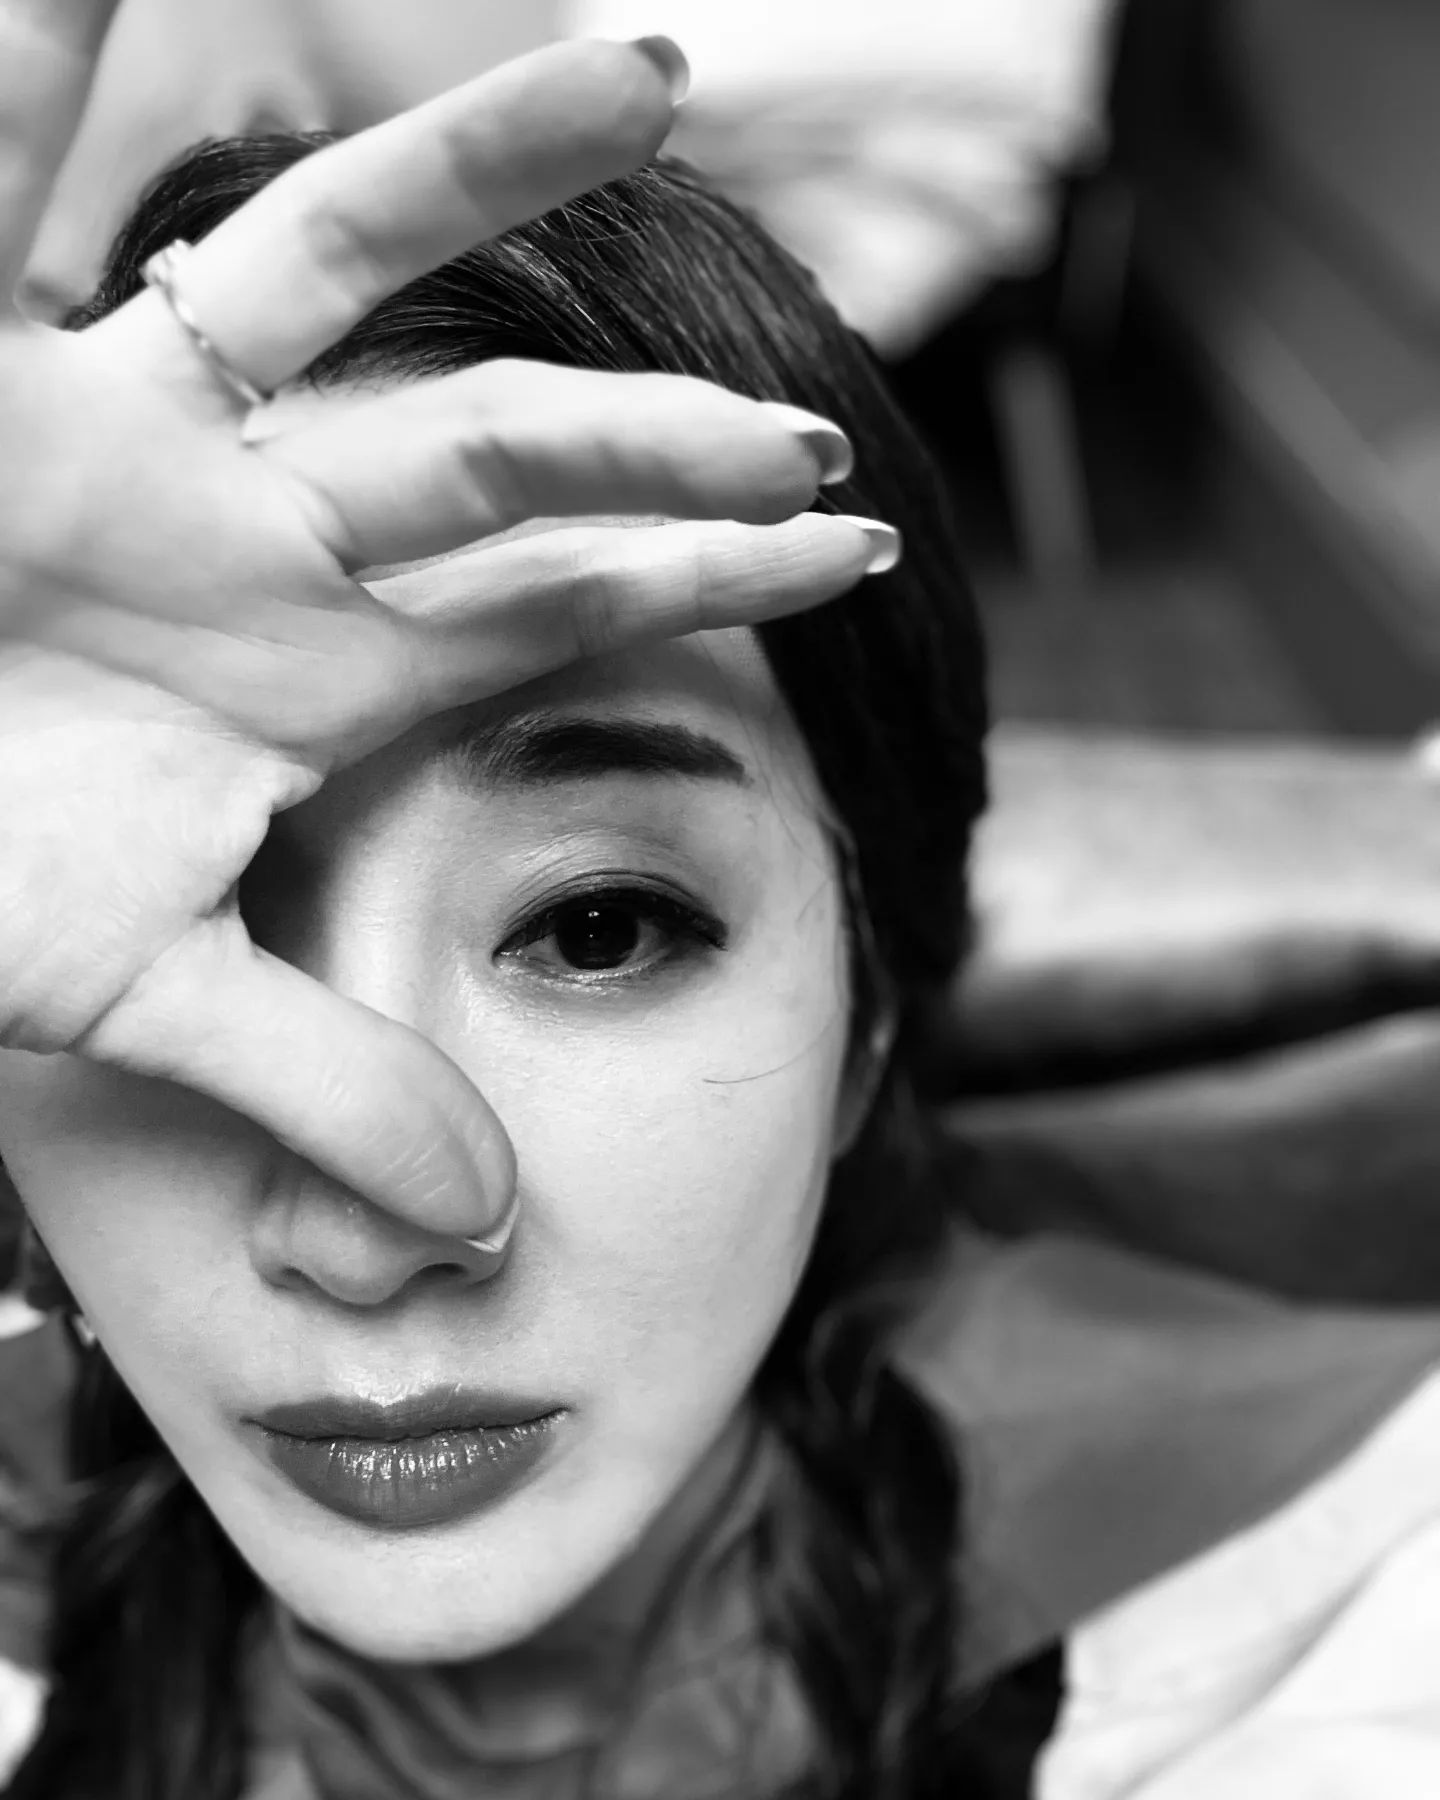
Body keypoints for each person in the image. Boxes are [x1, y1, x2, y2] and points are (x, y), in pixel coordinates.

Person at [0, 17, 1008, 1798]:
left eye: (597, 925)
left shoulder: (1306, 1626)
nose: (368, 1226)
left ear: (862, 1020)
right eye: (210, 918)